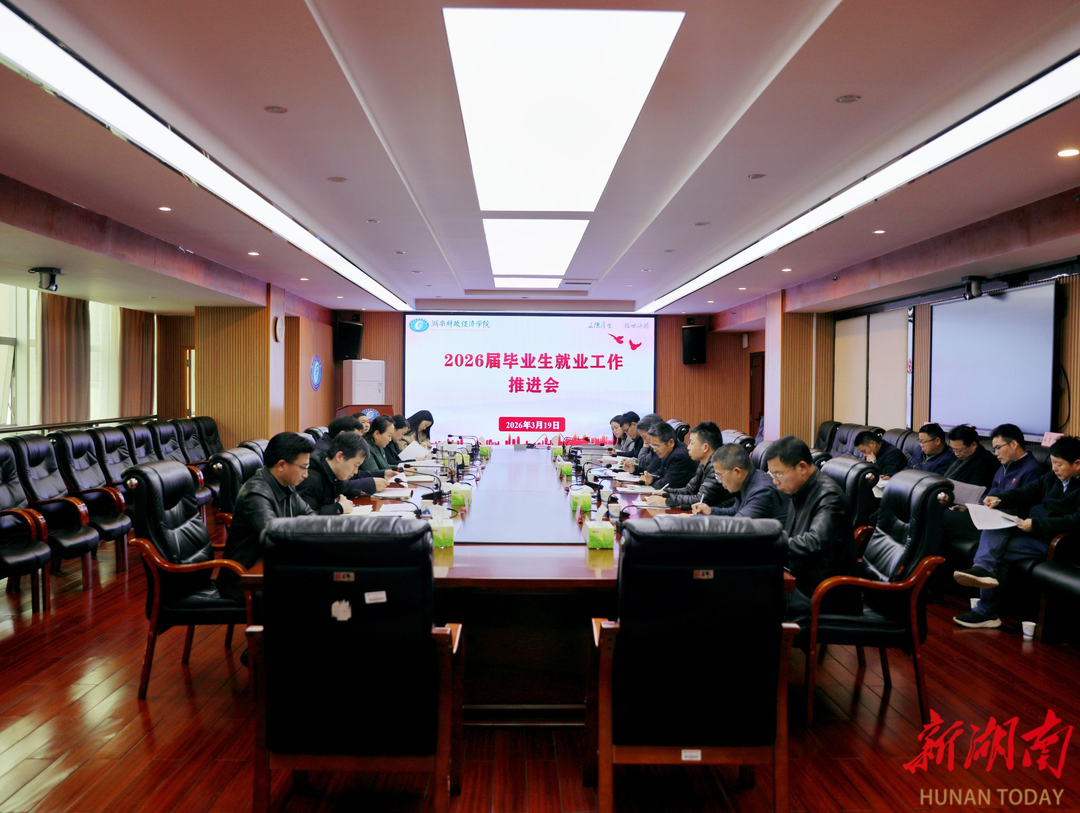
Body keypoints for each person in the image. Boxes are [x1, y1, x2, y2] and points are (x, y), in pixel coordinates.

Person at [953, 435, 1080, 629]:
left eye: (1058, 464)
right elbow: (1027, 492)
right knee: (996, 525)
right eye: (1052, 462)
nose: (1054, 468)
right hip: (1034, 529)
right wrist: (1000, 500)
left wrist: (1036, 524)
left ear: (1077, 464)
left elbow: (1074, 522)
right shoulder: (1053, 477)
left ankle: (986, 610)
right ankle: (983, 571)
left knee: (997, 553)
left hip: (1055, 540)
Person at [766, 435, 859, 616]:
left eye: (779, 474)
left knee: (753, 596)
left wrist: (769, 545)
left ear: (802, 467)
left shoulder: (829, 497)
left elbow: (814, 542)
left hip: (824, 594)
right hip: (801, 580)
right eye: (772, 475)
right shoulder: (800, 489)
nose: (775, 481)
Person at [217, 432, 315, 601]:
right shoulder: (256, 494)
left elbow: (310, 516)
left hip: (271, 568)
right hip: (245, 580)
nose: (306, 474)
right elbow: (274, 538)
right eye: (303, 467)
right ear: (281, 465)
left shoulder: (285, 484)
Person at [941, 422, 1044, 550]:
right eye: (995, 449)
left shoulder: (1033, 470)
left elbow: (1023, 507)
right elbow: (991, 494)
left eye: (998, 448)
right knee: (940, 513)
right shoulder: (1004, 466)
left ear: (1013, 444)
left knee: (941, 517)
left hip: (1002, 523)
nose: (996, 453)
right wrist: (972, 508)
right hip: (987, 516)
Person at [695, 443, 789, 522]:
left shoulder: (762, 492)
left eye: (720, 476)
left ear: (737, 472)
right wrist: (711, 511)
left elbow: (736, 525)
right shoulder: (748, 480)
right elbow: (736, 511)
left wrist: (695, 521)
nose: (719, 481)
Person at [645, 421, 728, 509]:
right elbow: (689, 490)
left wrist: (667, 501)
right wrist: (666, 493)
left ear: (705, 447)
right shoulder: (703, 464)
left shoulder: (717, 467)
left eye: (691, 443)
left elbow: (701, 500)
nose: (688, 447)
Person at [299, 432, 368, 515]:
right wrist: (338, 508)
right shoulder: (310, 478)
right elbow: (305, 518)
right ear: (339, 457)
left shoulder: (336, 476)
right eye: (355, 465)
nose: (356, 471)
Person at [641, 422, 697, 490]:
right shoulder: (668, 451)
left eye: (657, 446)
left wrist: (651, 483)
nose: (654, 450)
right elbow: (661, 472)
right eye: (652, 446)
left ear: (671, 443)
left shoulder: (679, 456)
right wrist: (652, 478)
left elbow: (667, 484)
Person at [943, 425, 999, 490]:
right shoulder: (960, 458)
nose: (956, 454)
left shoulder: (986, 463)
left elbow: (975, 490)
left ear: (973, 445)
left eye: (959, 450)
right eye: (953, 449)